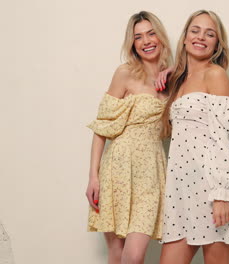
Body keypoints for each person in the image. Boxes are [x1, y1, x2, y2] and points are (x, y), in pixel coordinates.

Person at [159, 10, 229, 264]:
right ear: (184, 37)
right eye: (195, 30)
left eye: (209, 33)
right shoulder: (179, 80)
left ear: (217, 44)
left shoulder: (216, 75)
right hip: (180, 194)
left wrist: (221, 194)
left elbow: (223, 139)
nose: (201, 37)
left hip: (212, 190)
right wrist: (168, 73)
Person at [85, 11, 172, 264]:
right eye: (138, 37)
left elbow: (198, 67)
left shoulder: (174, 79)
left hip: (152, 174)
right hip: (118, 169)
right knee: (117, 254)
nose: (146, 41)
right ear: (132, 43)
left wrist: (175, 68)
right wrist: (93, 176)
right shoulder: (125, 73)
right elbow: (102, 127)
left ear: (161, 37)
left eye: (151, 33)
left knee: (133, 256)